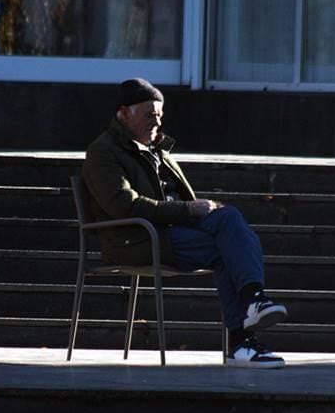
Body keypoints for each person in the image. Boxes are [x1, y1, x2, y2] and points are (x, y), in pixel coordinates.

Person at [82, 78, 288, 368]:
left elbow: (182, 203)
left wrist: (202, 209)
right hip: (136, 238)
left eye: (159, 114)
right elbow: (125, 206)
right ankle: (242, 341)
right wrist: (188, 209)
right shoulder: (103, 152)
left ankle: (253, 298)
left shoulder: (159, 151)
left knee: (229, 217)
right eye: (149, 114)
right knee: (224, 250)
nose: (156, 121)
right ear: (123, 113)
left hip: (172, 231)